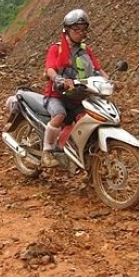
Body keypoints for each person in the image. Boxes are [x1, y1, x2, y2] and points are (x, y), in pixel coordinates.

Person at [41, 9, 109, 167]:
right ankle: (47, 152)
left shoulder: (86, 50)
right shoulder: (56, 48)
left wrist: (110, 81)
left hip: (78, 96)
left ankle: (76, 152)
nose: (80, 33)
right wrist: (59, 79)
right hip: (56, 96)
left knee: (89, 119)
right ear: (67, 29)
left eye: (83, 29)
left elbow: (97, 69)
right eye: (76, 29)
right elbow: (50, 69)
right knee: (59, 115)